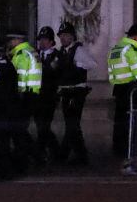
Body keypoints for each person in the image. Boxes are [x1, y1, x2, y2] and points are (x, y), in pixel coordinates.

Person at [0, 36, 35, 180]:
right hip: (15, 108)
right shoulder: (11, 65)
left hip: (1, 110)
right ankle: (17, 167)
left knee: (2, 141)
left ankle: (4, 171)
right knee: (16, 139)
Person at [55, 21, 96, 165]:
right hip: (66, 92)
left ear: (72, 36)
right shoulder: (61, 52)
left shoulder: (78, 50)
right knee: (72, 124)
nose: (63, 38)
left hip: (77, 91)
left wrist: (77, 64)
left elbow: (92, 64)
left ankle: (66, 155)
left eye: (66, 35)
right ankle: (78, 155)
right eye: (61, 36)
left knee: (72, 124)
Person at [107, 24, 137, 158]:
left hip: (118, 89)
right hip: (130, 90)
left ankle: (118, 150)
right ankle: (128, 151)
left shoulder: (115, 48)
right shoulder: (131, 50)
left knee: (119, 122)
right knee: (130, 121)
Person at [33, 26, 61, 162]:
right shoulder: (35, 54)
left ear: (51, 42)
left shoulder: (57, 55)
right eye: (40, 40)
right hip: (37, 96)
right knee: (40, 125)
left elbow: (53, 72)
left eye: (45, 40)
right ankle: (50, 151)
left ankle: (42, 152)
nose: (42, 43)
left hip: (49, 96)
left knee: (44, 125)